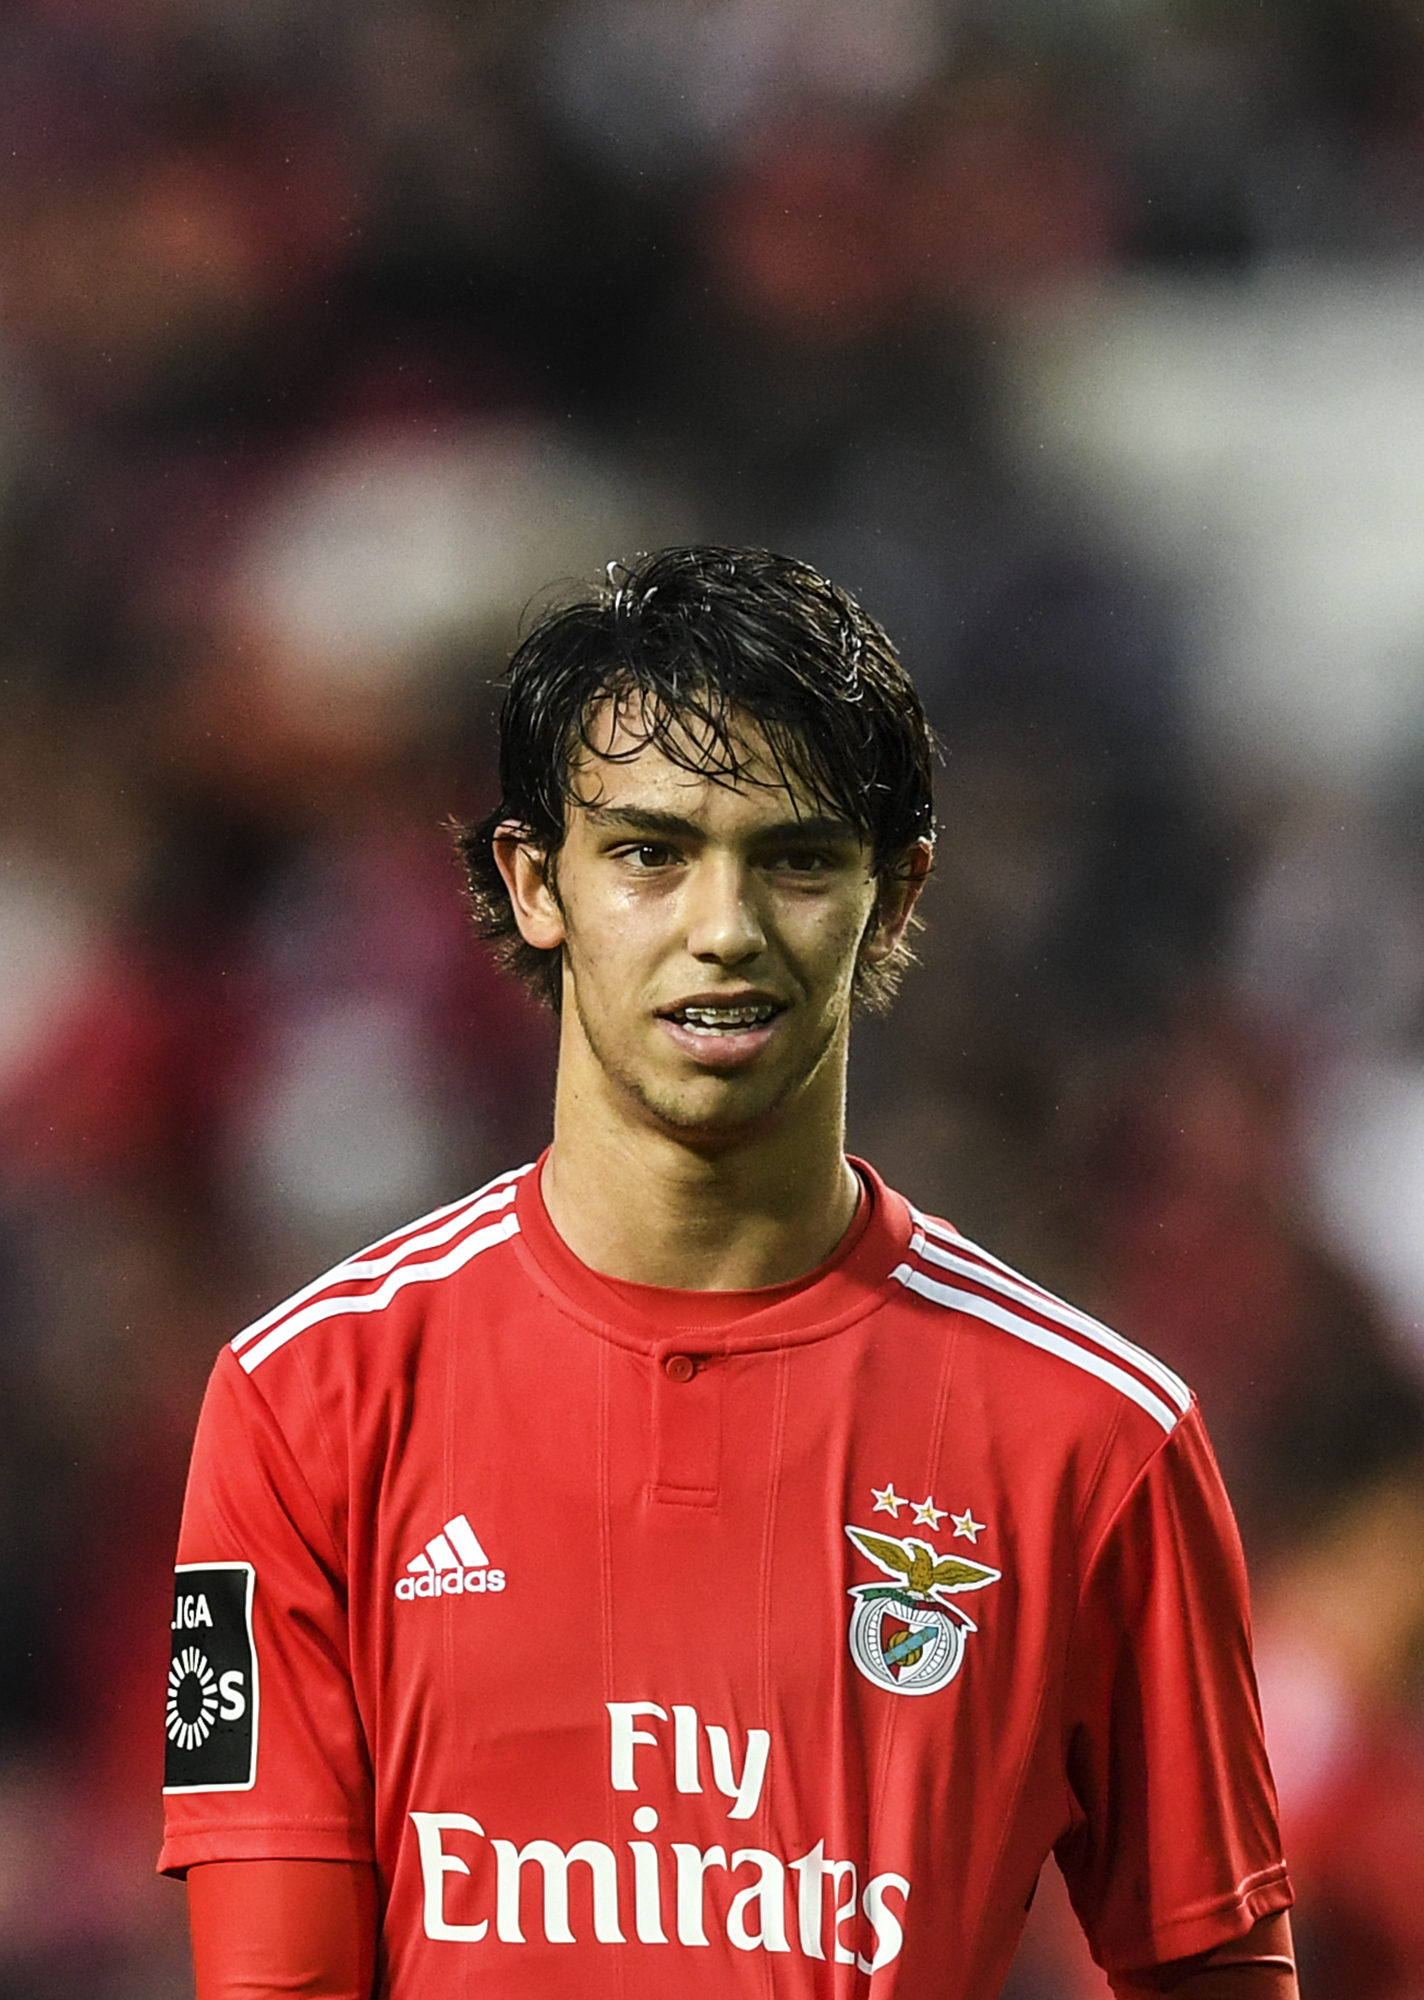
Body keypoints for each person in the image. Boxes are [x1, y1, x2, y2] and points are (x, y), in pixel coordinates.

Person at [161, 546, 1298, 1999]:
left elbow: (1216, 1970)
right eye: (649, 852)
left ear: (894, 898)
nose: (724, 928)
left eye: (798, 858)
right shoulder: (308, 1402)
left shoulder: (1099, 1441)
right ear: (533, 881)